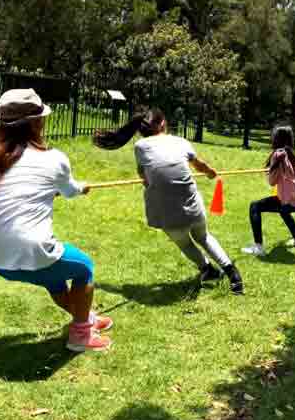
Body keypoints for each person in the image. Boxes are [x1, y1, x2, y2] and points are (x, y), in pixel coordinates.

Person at [0, 89, 113, 352]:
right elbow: (70, 190)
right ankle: (81, 336)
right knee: (84, 268)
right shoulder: (54, 158)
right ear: (37, 122)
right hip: (33, 252)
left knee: (53, 278)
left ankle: (87, 318)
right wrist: (81, 188)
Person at [93, 108, 243, 294]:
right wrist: (211, 173)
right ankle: (232, 273)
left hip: (165, 212)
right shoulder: (180, 142)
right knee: (203, 237)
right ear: (162, 123)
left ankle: (207, 269)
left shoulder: (140, 147)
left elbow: (144, 175)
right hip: (193, 207)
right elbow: (200, 165)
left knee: (185, 243)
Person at [242, 124, 295, 256]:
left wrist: (272, 166)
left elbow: (271, 181)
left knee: (255, 206)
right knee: (283, 209)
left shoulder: (278, 154)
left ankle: (258, 247)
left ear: (276, 139)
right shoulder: (292, 152)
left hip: (292, 199)